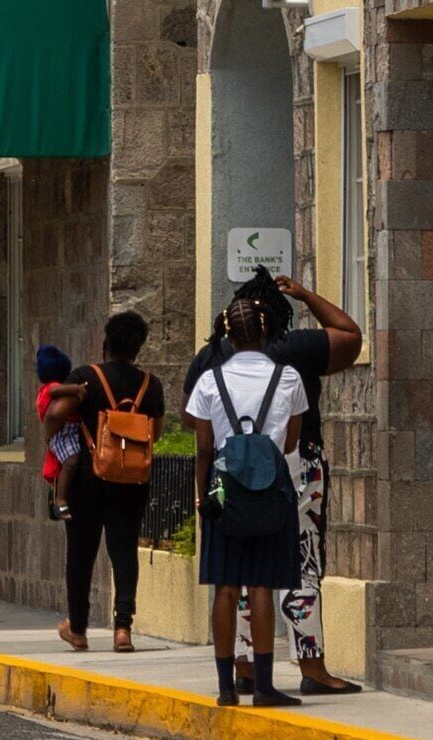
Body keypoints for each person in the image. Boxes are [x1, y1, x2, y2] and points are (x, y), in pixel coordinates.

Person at [184, 291, 308, 708]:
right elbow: (291, 441)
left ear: (226, 334)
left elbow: (203, 449)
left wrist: (204, 499)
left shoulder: (209, 381)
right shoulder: (288, 378)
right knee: (261, 585)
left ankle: (224, 686)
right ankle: (265, 685)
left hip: (225, 492)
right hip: (272, 492)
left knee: (225, 585)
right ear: (267, 329)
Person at [248, 268, 369, 696]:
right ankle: (312, 665)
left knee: (246, 565)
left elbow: (194, 416)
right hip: (298, 461)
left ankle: (245, 664)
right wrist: (305, 295)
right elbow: (349, 335)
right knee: (304, 563)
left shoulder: (216, 357)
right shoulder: (293, 348)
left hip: (239, 468)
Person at [43, 311, 160, 654]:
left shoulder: (85, 377)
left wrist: (55, 442)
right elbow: (158, 432)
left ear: (105, 343)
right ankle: (123, 628)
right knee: (124, 552)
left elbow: (53, 415)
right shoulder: (151, 385)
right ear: (138, 348)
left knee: (81, 553)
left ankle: (77, 628)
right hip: (132, 481)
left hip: (87, 481)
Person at [33, 342, 77, 521]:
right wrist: (78, 389)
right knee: (71, 461)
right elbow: (57, 390)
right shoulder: (49, 388)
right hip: (61, 432)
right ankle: (60, 499)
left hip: (69, 429)